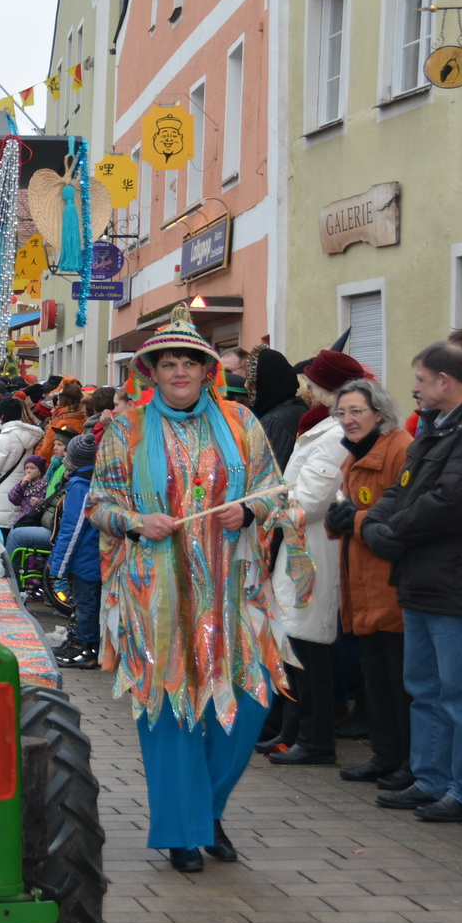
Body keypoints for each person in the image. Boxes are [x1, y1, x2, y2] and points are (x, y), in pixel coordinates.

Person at [87, 306, 305, 874]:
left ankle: (205, 812)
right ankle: (184, 831)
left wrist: (249, 508)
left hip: (234, 591)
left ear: (207, 370)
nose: (179, 372)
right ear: (152, 372)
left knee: (250, 705)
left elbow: (277, 491)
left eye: (190, 362)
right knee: (171, 710)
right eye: (169, 363)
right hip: (155, 592)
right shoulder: (125, 428)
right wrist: (136, 521)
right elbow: (98, 506)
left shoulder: (241, 423)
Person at [361, 342, 462, 824]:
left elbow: (454, 501)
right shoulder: (439, 427)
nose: (414, 388)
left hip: (458, 579)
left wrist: (394, 531)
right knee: (424, 688)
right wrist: (373, 523)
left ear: (445, 381)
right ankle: (430, 779)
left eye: (421, 379)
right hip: (421, 576)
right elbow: (402, 487)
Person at [265, 350, 367, 766]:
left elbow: (309, 499)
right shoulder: (323, 428)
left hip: (311, 551)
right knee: (295, 644)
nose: (304, 389)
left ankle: (315, 738)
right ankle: (293, 732)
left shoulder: (333, 435)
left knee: (309, 647)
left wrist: (265, 513)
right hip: (298, 548)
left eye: (310, 382)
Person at [322, 379, 415, 791]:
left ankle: (408, 761)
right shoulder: (354, 455)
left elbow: (403, 516)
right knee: (375, 679)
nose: (348, 420)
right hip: (361, 581)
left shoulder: (400, 448)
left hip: (389, 584)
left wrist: (356, 519)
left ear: (379, 412)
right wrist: (336, 519)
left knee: (399, 683)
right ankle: (384, 755)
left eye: (357, 411)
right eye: (341, 413)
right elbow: (347, 506)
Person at [50, 432, 101, 670]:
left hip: (85, 559)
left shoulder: (80, 486)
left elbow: (72, 529)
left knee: (85, 604)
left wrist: (58, 564)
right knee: (84, 603)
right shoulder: (91, 481)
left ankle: (86, 648)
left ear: (73, 461)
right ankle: (80, 641)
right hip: (91, 556)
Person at [0, 398, 43, 528]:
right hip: (20, 490)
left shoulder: (5, 436)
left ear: (3, 416)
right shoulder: (28, 435)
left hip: (2, 494)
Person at [246, 346, 304, 470]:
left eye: (250, 380)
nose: (245, 385)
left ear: (265, 380)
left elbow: (264, 473)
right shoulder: (298, 407)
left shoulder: (274, 421)